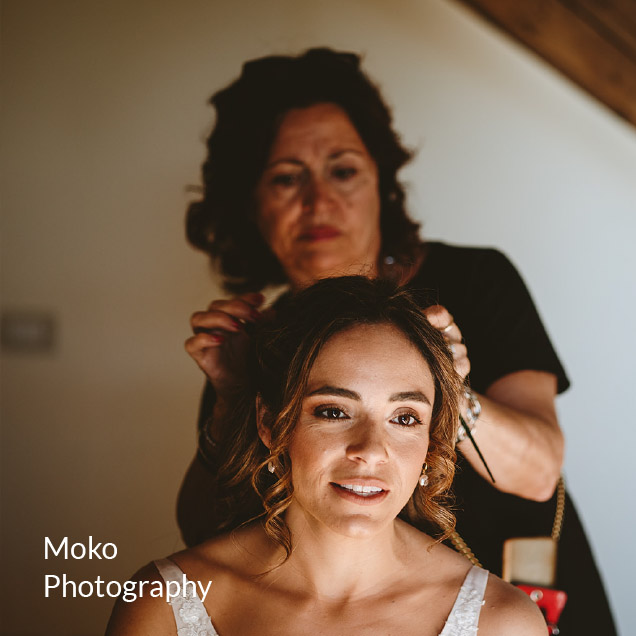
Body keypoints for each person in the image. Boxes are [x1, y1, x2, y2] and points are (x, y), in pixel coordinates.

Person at [178, 48, 616, 632]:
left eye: (343, 171)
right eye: (286, 178)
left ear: (380, 182)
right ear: (250, 203)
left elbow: (537, 471)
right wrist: (233, 397)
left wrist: (450, 394)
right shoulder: (260, 343)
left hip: (522, 605)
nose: (319, 201)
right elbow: (204, 535)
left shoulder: (477, 281)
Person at [107, 277, 546, 635]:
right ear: (270, 423)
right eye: (334, 412)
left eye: (405, 418)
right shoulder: (163, 604)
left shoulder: (503, 624)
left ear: (432, 443)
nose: (370, 451)